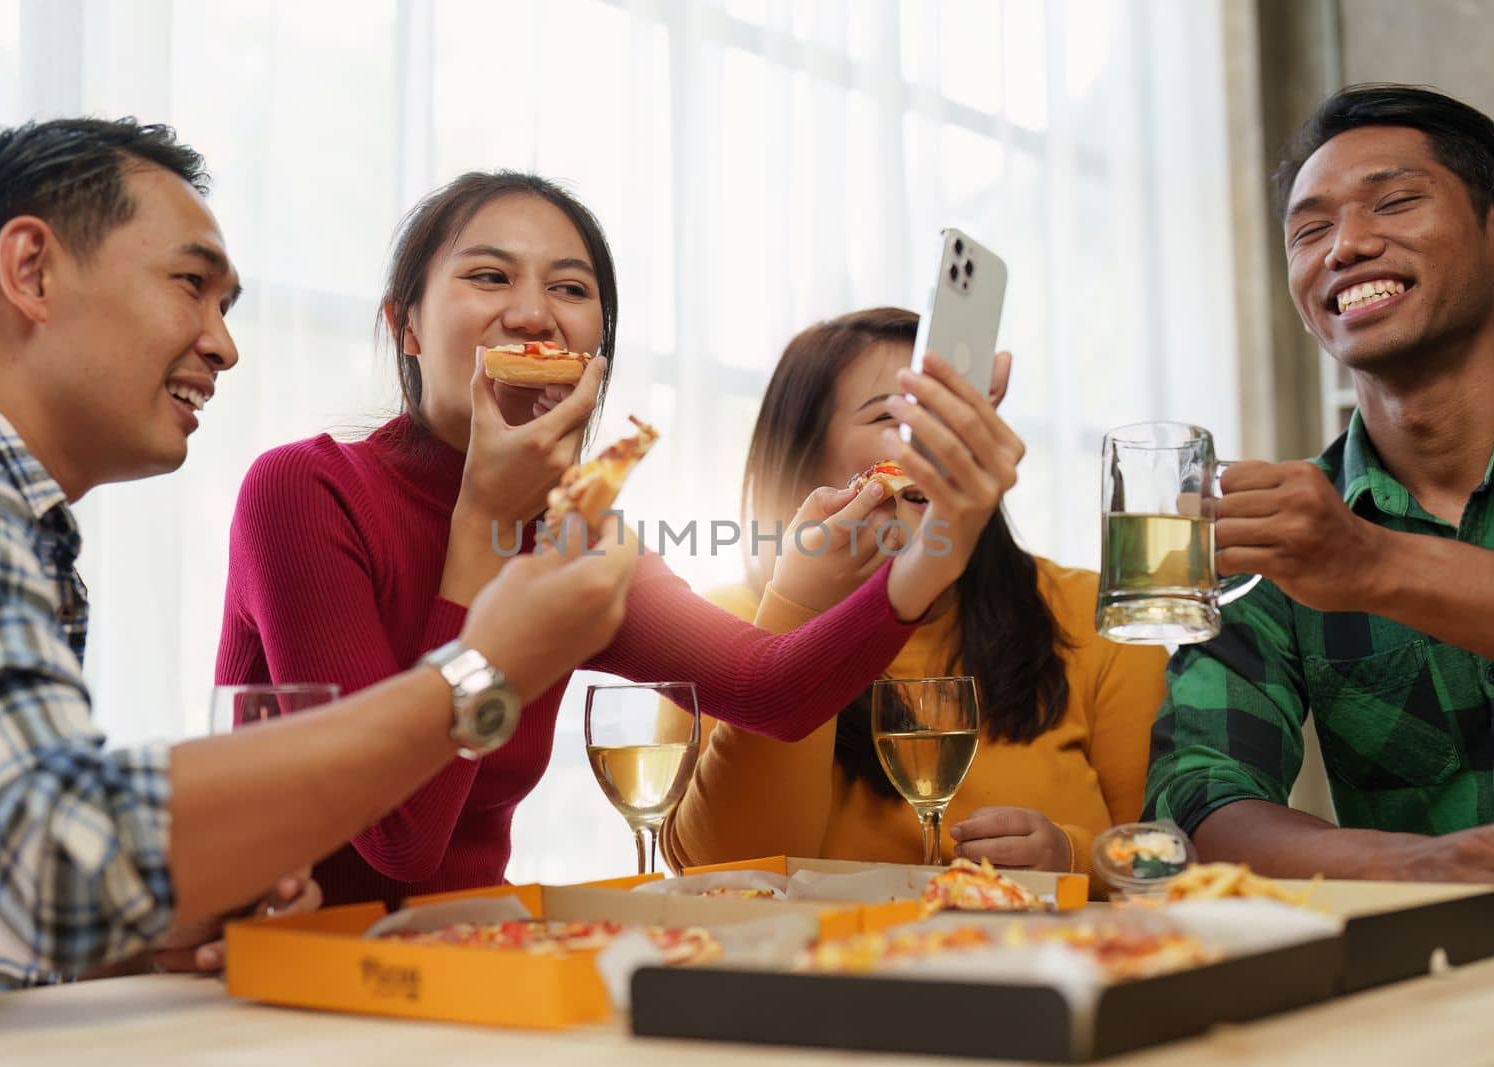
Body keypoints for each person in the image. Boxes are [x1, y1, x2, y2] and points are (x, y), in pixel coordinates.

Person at [0, 118, 641, 1000]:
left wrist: (147, 933)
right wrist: (481, 674)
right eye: (191, 285)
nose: (224, 346)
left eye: (227, 309)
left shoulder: (16, 520)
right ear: (31, 270)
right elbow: (43, 851)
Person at [215, 174, 1004, 905]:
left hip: (468, 957)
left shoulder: (582, 536)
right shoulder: (304, 492)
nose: (532, 314)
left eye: (569, 289)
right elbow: (400, 839)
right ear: (406, 325)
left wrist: (941, 546)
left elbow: (775, 690)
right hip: (278, 974)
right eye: (489, 277)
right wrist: (481, 532)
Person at [1144, 84, 1494, 882]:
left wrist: (1374, 566)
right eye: (1309, 230)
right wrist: (1422, 862)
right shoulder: (1278, 538)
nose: (1344, 247)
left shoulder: (1325, 540)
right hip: (1438, 977)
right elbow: (1199, 800)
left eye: (1394, 203)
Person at [660, 308, 1168, 877]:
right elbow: (727, 875)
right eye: (893, 416)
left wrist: (1075, 857)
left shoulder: (1094, 614)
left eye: (945, 413)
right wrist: (803, 616)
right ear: (805, 456)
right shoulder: (723, 625)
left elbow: (1165, 858)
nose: (931, 441)